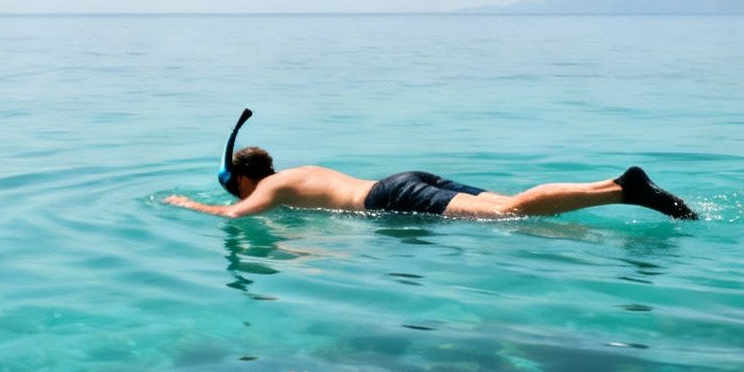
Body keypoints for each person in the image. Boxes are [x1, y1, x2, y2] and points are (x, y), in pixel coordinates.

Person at [167, 145, 699, 220]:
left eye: (232, 186)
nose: (235, 195)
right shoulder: (301, 172)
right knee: (501, 203)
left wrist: (189, 205)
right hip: (405, 179)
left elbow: (236, 217)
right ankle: (616, 189)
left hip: (391, 196)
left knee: (508, 213)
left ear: (242, 177)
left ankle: (621, 188)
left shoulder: (270, 189)